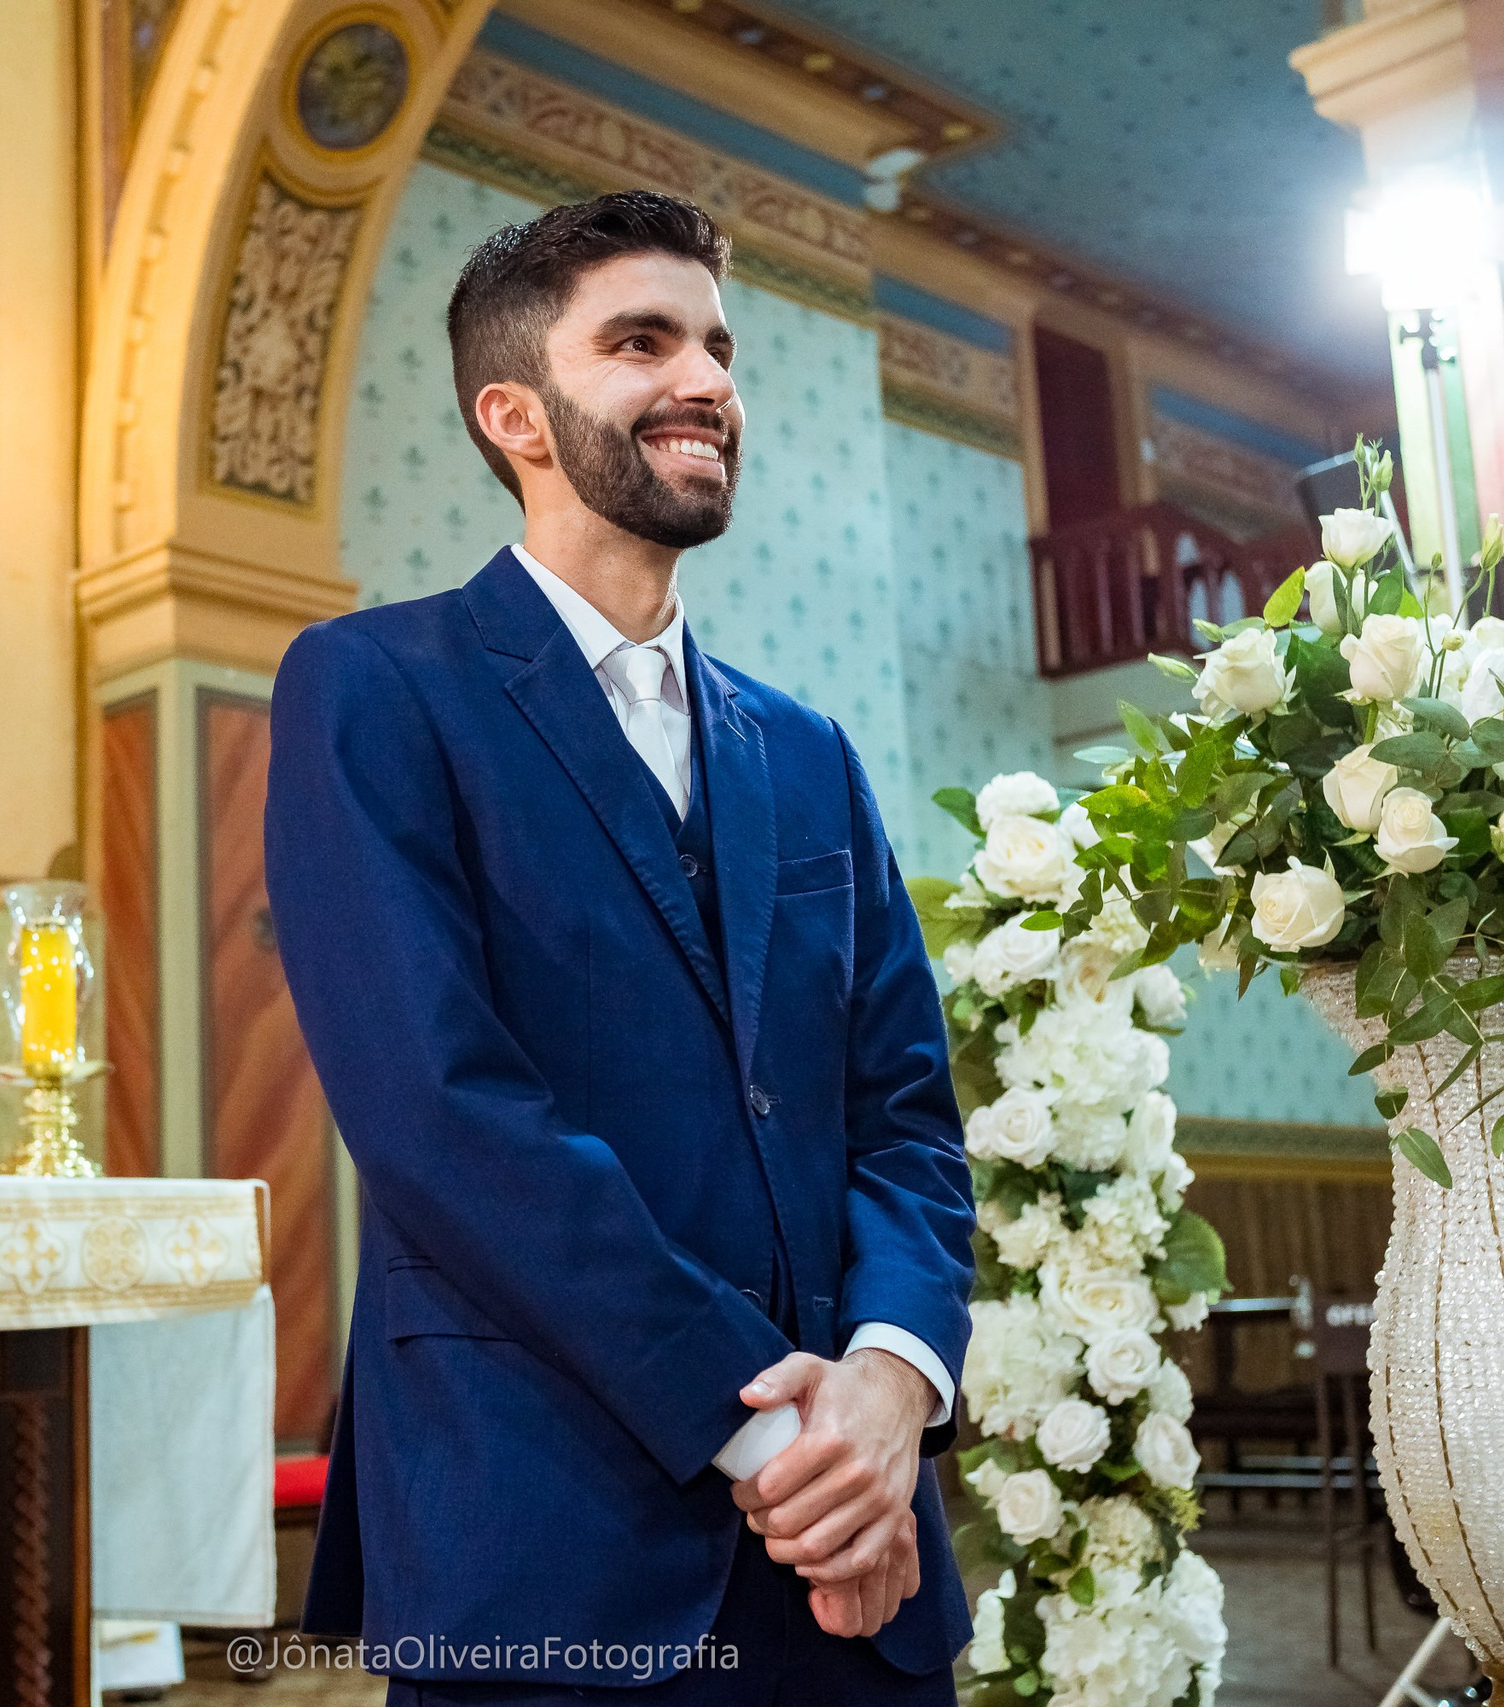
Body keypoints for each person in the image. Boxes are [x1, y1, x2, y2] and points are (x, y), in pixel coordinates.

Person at [263, 191, 975, 1706]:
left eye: (717, 344)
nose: (705, 378)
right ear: (513, 412)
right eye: (641, 341)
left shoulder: (808, 747)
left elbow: (905, 1114)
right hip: (554, 1541)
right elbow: (442, 1116)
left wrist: (893, 1380)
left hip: (858, 1543)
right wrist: (771, 1435)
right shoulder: (375, 688)